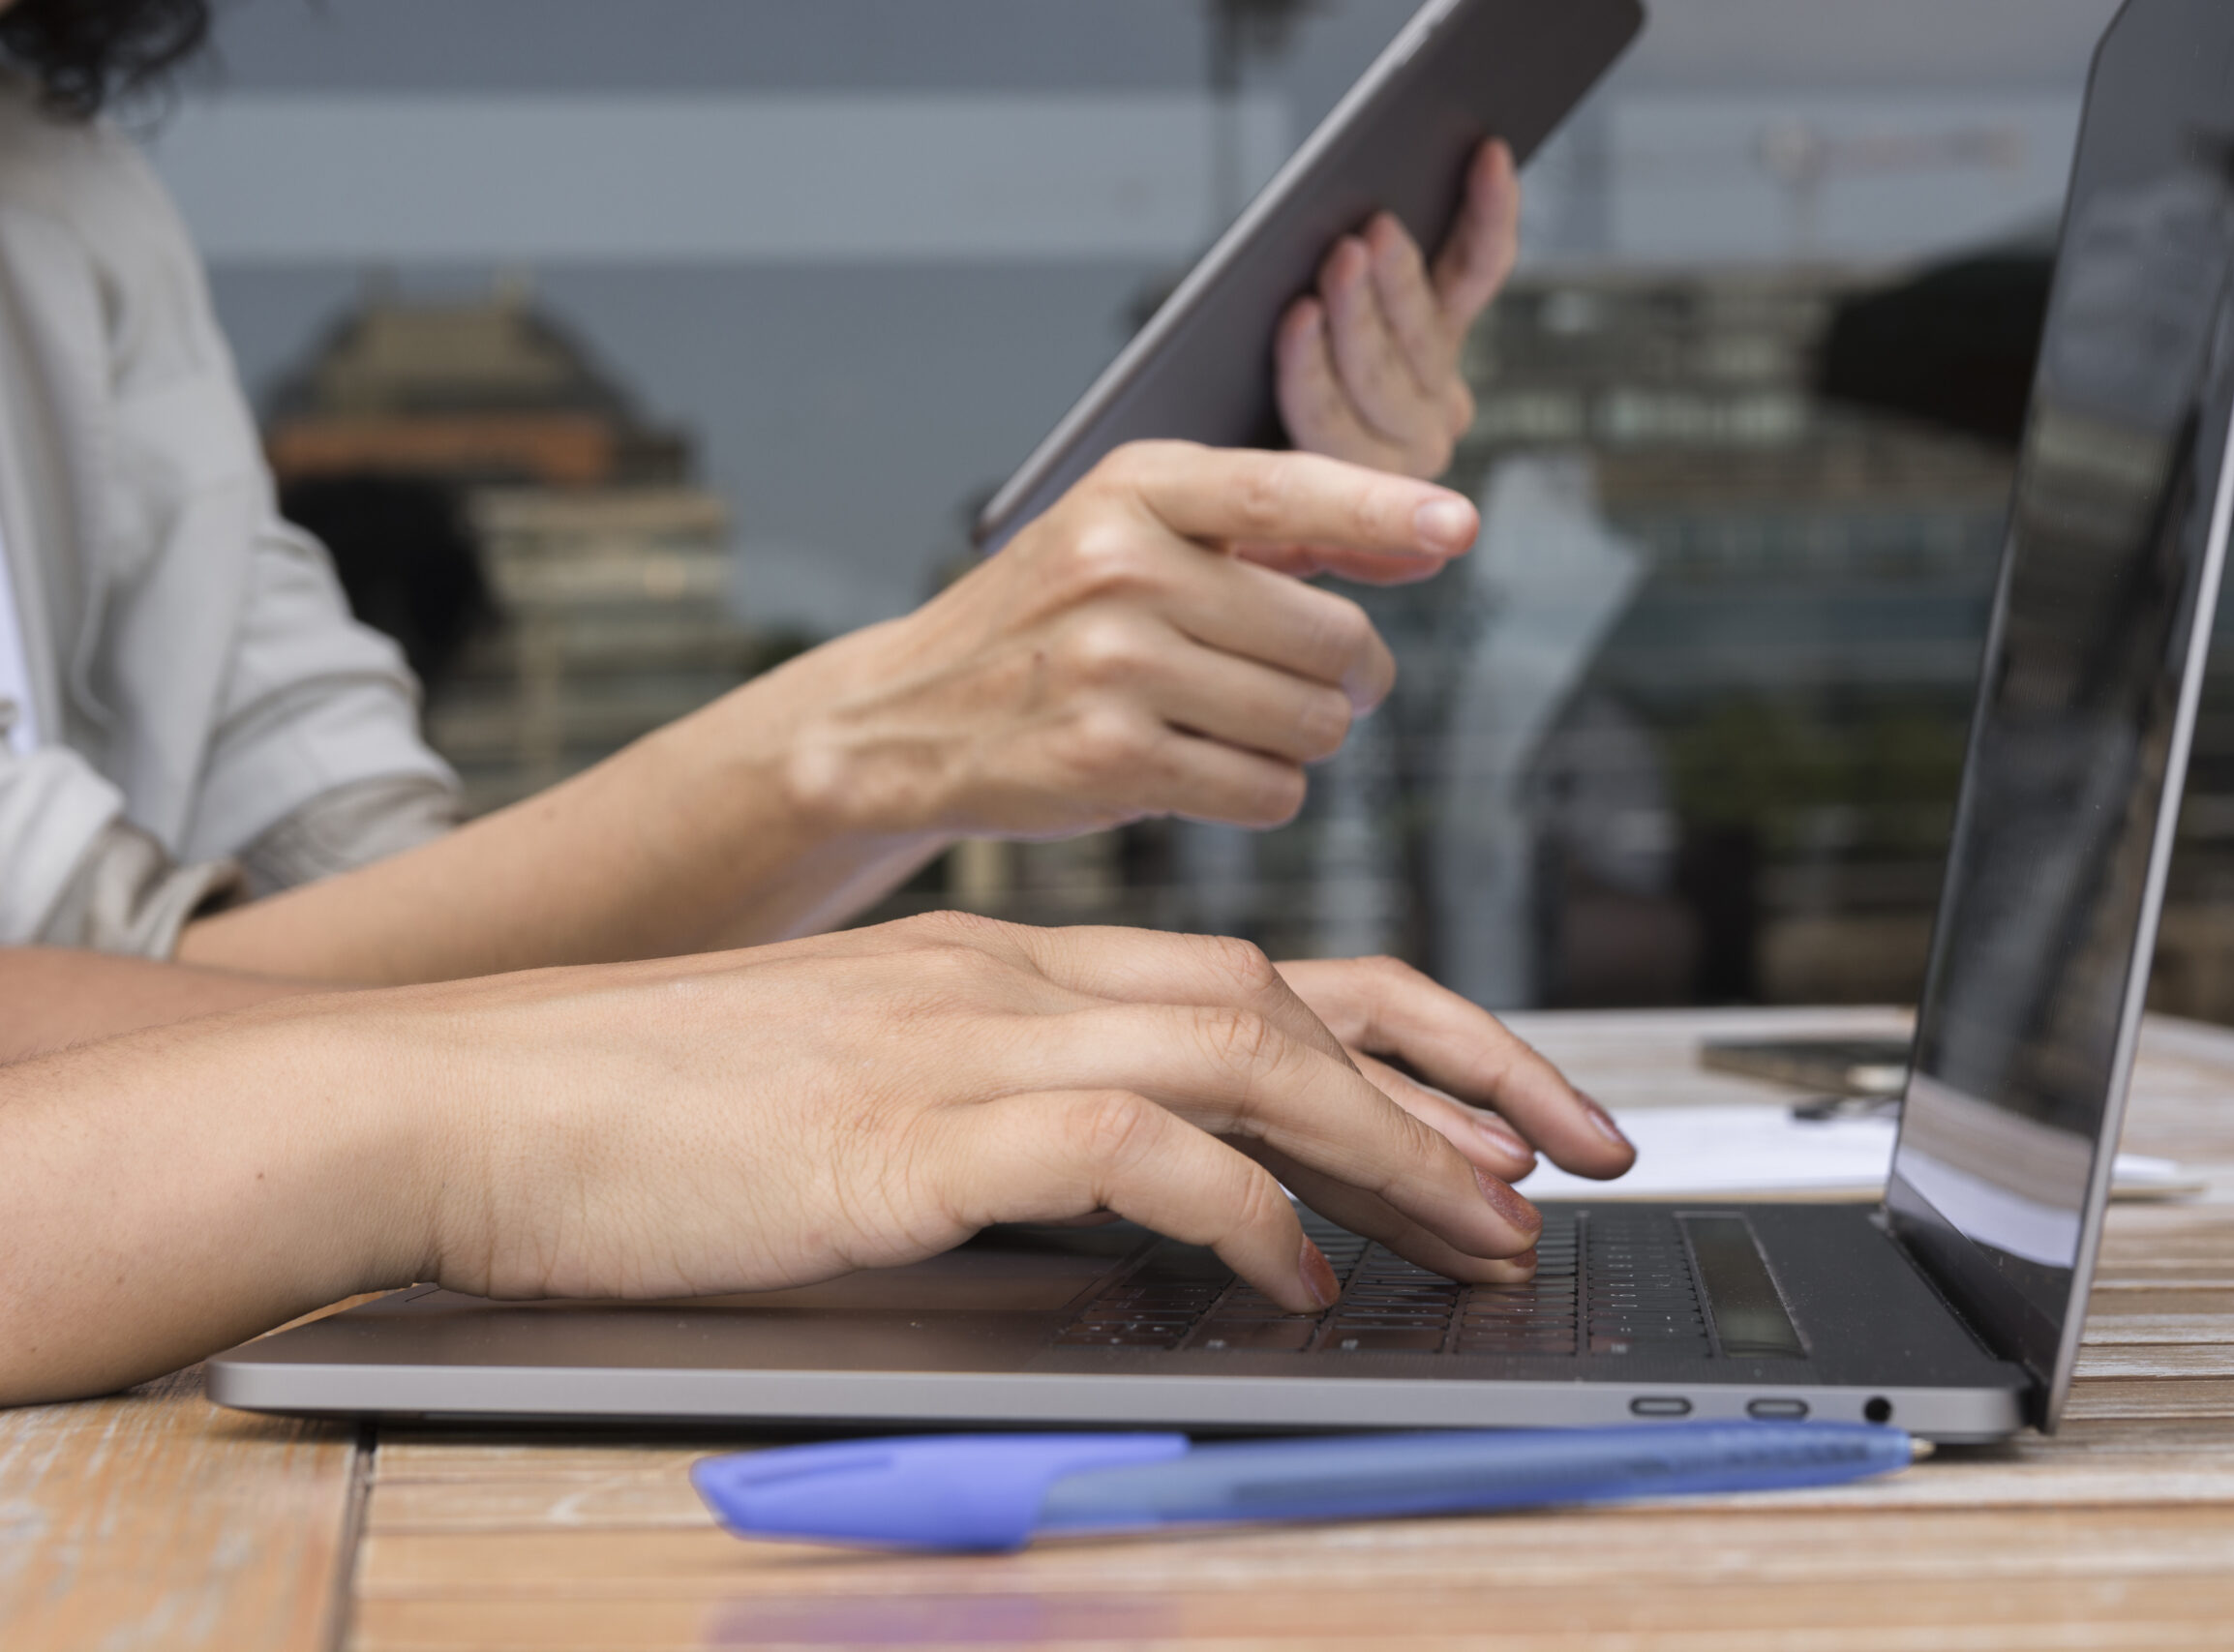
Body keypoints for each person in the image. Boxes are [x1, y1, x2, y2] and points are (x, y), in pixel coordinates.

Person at [0, 3, 1637, 1407]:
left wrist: (980, 857)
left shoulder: (66, 194)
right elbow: (226, 1032)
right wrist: (877, 751)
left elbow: (356, 945)